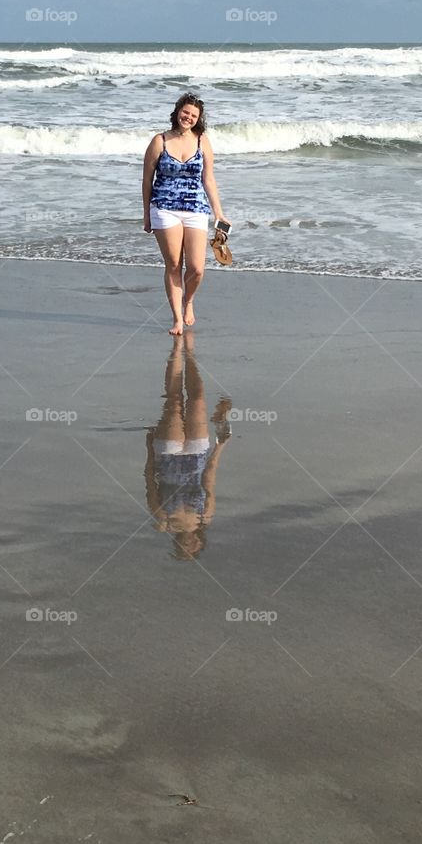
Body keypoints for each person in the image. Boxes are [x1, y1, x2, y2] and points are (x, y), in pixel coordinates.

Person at [142, 93, 228, 335]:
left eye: (193, 115)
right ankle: (177, 319)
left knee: (197, 268)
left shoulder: (202, 141)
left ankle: (188, 300)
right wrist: (147, 214)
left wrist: (219, 213)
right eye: (185, 112)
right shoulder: (159, 141)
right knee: (173, 264)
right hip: (164, 208)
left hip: (196, 208)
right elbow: (147, 180)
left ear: (198, 119)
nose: (188, 117)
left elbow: (208, 179)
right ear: (177, 111)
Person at [144, 333, 232, 560]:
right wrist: (220, 446)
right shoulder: (205, 517)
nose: (188, 547)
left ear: (176, 546)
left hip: (168, 455)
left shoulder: (162, 522)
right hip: (197, 454)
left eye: (183, 551)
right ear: (200, 543)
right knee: (197, 397)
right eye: (193, 550)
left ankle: (176, 350)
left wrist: (149, 450)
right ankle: (189, 353)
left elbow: (150, 482)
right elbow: (209, 478)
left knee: (174, 401)